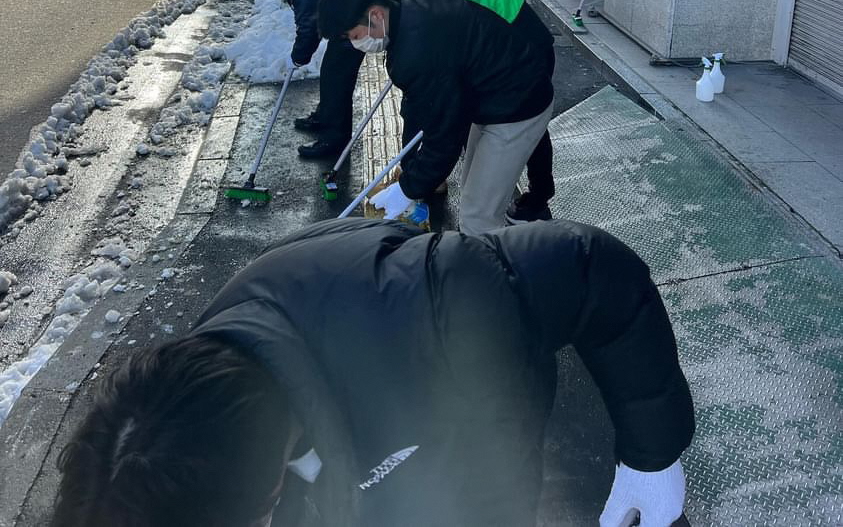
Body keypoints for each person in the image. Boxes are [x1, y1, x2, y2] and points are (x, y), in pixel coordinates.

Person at [50, 218, 694, 527]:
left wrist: (651, 457)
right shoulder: (202, 403)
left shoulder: (442, 307)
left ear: (263, 490)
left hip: (501, 392)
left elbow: (592, 266)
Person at [318, 0, 555, 234]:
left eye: (356, 34)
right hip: (493, 96)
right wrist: (411, 174)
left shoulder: (419, 49)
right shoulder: (408, 7)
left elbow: (445, 134)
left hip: (519, 103)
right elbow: (424, 107)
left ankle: (496, 270)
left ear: (375, 15)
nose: (356, 43)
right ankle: (494, 251)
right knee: (472, 191)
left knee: (478, 215)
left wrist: (408, 188)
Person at [358, 0, 556, 221]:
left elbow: (440, 105)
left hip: (519, 45)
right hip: (510, 38)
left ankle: (536, 199)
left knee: (521, 126)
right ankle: (526, 196)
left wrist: (418, 175)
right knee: (514, 130)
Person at [228, 0, 362, 160]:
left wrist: (299, 55)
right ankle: (325, 116)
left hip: (357, 3)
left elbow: (310, 20)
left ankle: (334, 140)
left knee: (337, 72)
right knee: (332, 69)